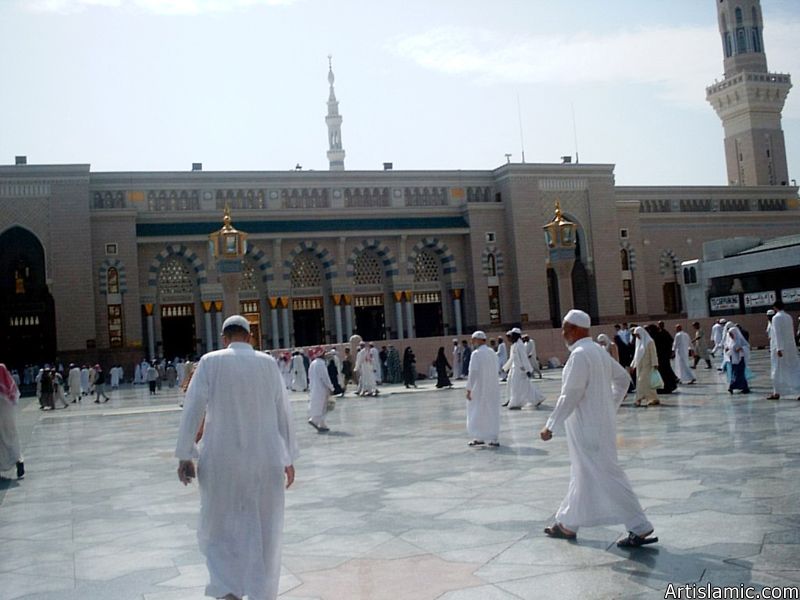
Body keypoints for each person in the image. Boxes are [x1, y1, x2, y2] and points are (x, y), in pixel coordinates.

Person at [176, 315, 298, 600]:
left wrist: (185, 454)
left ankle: (227, 589)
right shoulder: (268, 364)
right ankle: (260, 592)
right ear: (250, 337)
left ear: (224, 338)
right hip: (265, 461)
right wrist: (288, 457)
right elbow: (284, 413)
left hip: (221, 461)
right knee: (265, 528)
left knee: (219, 527)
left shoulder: (210, 361)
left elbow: (193, 408)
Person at [540, 309, 657, 548]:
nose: (563, 333)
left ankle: (640, 526)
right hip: (598, 425)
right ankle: (567, 524)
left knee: (607, 474)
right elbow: (623, 380)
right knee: (582, 473)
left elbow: (571, 394)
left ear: (574, 329)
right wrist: (608, 407)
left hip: (586, 429)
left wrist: (551, 424)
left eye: (565, 328)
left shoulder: (580, 355)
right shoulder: (597, 352)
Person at [466, 331, 501, 448]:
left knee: (477, 411)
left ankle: (479, 435)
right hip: (492, 388)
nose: (472, 342)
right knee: (491, 411)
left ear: (480, 340)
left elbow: (473, 373)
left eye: (474, 339)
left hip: (479, 388)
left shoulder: (476, 354)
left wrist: (469, 388)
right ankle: (492, 437)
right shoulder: (492, 353)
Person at [766, 301, 800, 400]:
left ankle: (776, 392)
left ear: (775, 308)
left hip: (779, 349)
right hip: (790, 347)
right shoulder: (788, 317)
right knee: (793, 368)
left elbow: (777, 334)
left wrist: (779, 348)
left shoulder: (776, 318)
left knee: (776, 370)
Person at [503, 328, 542, 409]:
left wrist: (528, 370)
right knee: (523, 385)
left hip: (520, 369)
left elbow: (524, 358)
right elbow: (512, 358)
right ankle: (537, 398)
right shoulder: (515, 345)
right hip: (515, 369)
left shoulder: (520, 345)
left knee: (518, 386)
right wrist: (506, 368)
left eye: (513, 335)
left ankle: (515, 403)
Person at [0, 363, 24, 480]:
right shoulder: (8, 392)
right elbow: (15, 395)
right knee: (12, 437)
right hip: (8, 415)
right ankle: (19, 460)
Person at [630, 327, 659, 407]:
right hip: (640, 366)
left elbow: (653, 353)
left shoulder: (650, 342)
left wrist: (655, 364)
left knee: (641, 381)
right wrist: (632, 365)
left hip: (648, 366)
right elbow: (636, 355)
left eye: (638, 335)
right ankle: (653, 398)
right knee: (646, 384)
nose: (637, 337)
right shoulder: (638, 342)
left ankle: (638, 399)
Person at [308, 347, 334, 432]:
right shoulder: (320, 364)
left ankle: (322, 424)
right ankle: (314, 420)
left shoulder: (313, 363)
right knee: (322, 406)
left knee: (321, 406)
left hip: (314, 387)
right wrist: (330, 387)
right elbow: (325, 378)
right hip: (321, 388)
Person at [727, 325, 751, 394]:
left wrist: (741, 349)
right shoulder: (731, 341)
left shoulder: (740, 340)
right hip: (734, 360)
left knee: (740, 374)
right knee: (735, 374)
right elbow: (731, 348)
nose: (731, 336)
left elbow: (747, 347)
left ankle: (735, 387)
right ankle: (739, 387)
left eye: (731, 334)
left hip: (740, 360)